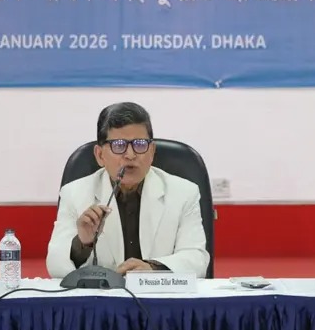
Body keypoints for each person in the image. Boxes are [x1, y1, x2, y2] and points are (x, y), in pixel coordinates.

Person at [46, 102, 210, 278]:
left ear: (152, 152)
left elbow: (197, 260)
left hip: (159, 293)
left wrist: (153, 269)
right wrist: (83, 243)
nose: (130, 155)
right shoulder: (74, 193)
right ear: (100, 155)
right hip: (102, 295)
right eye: (118, 145)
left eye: (140, 144)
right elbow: (55, 266)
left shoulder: (184, 193)